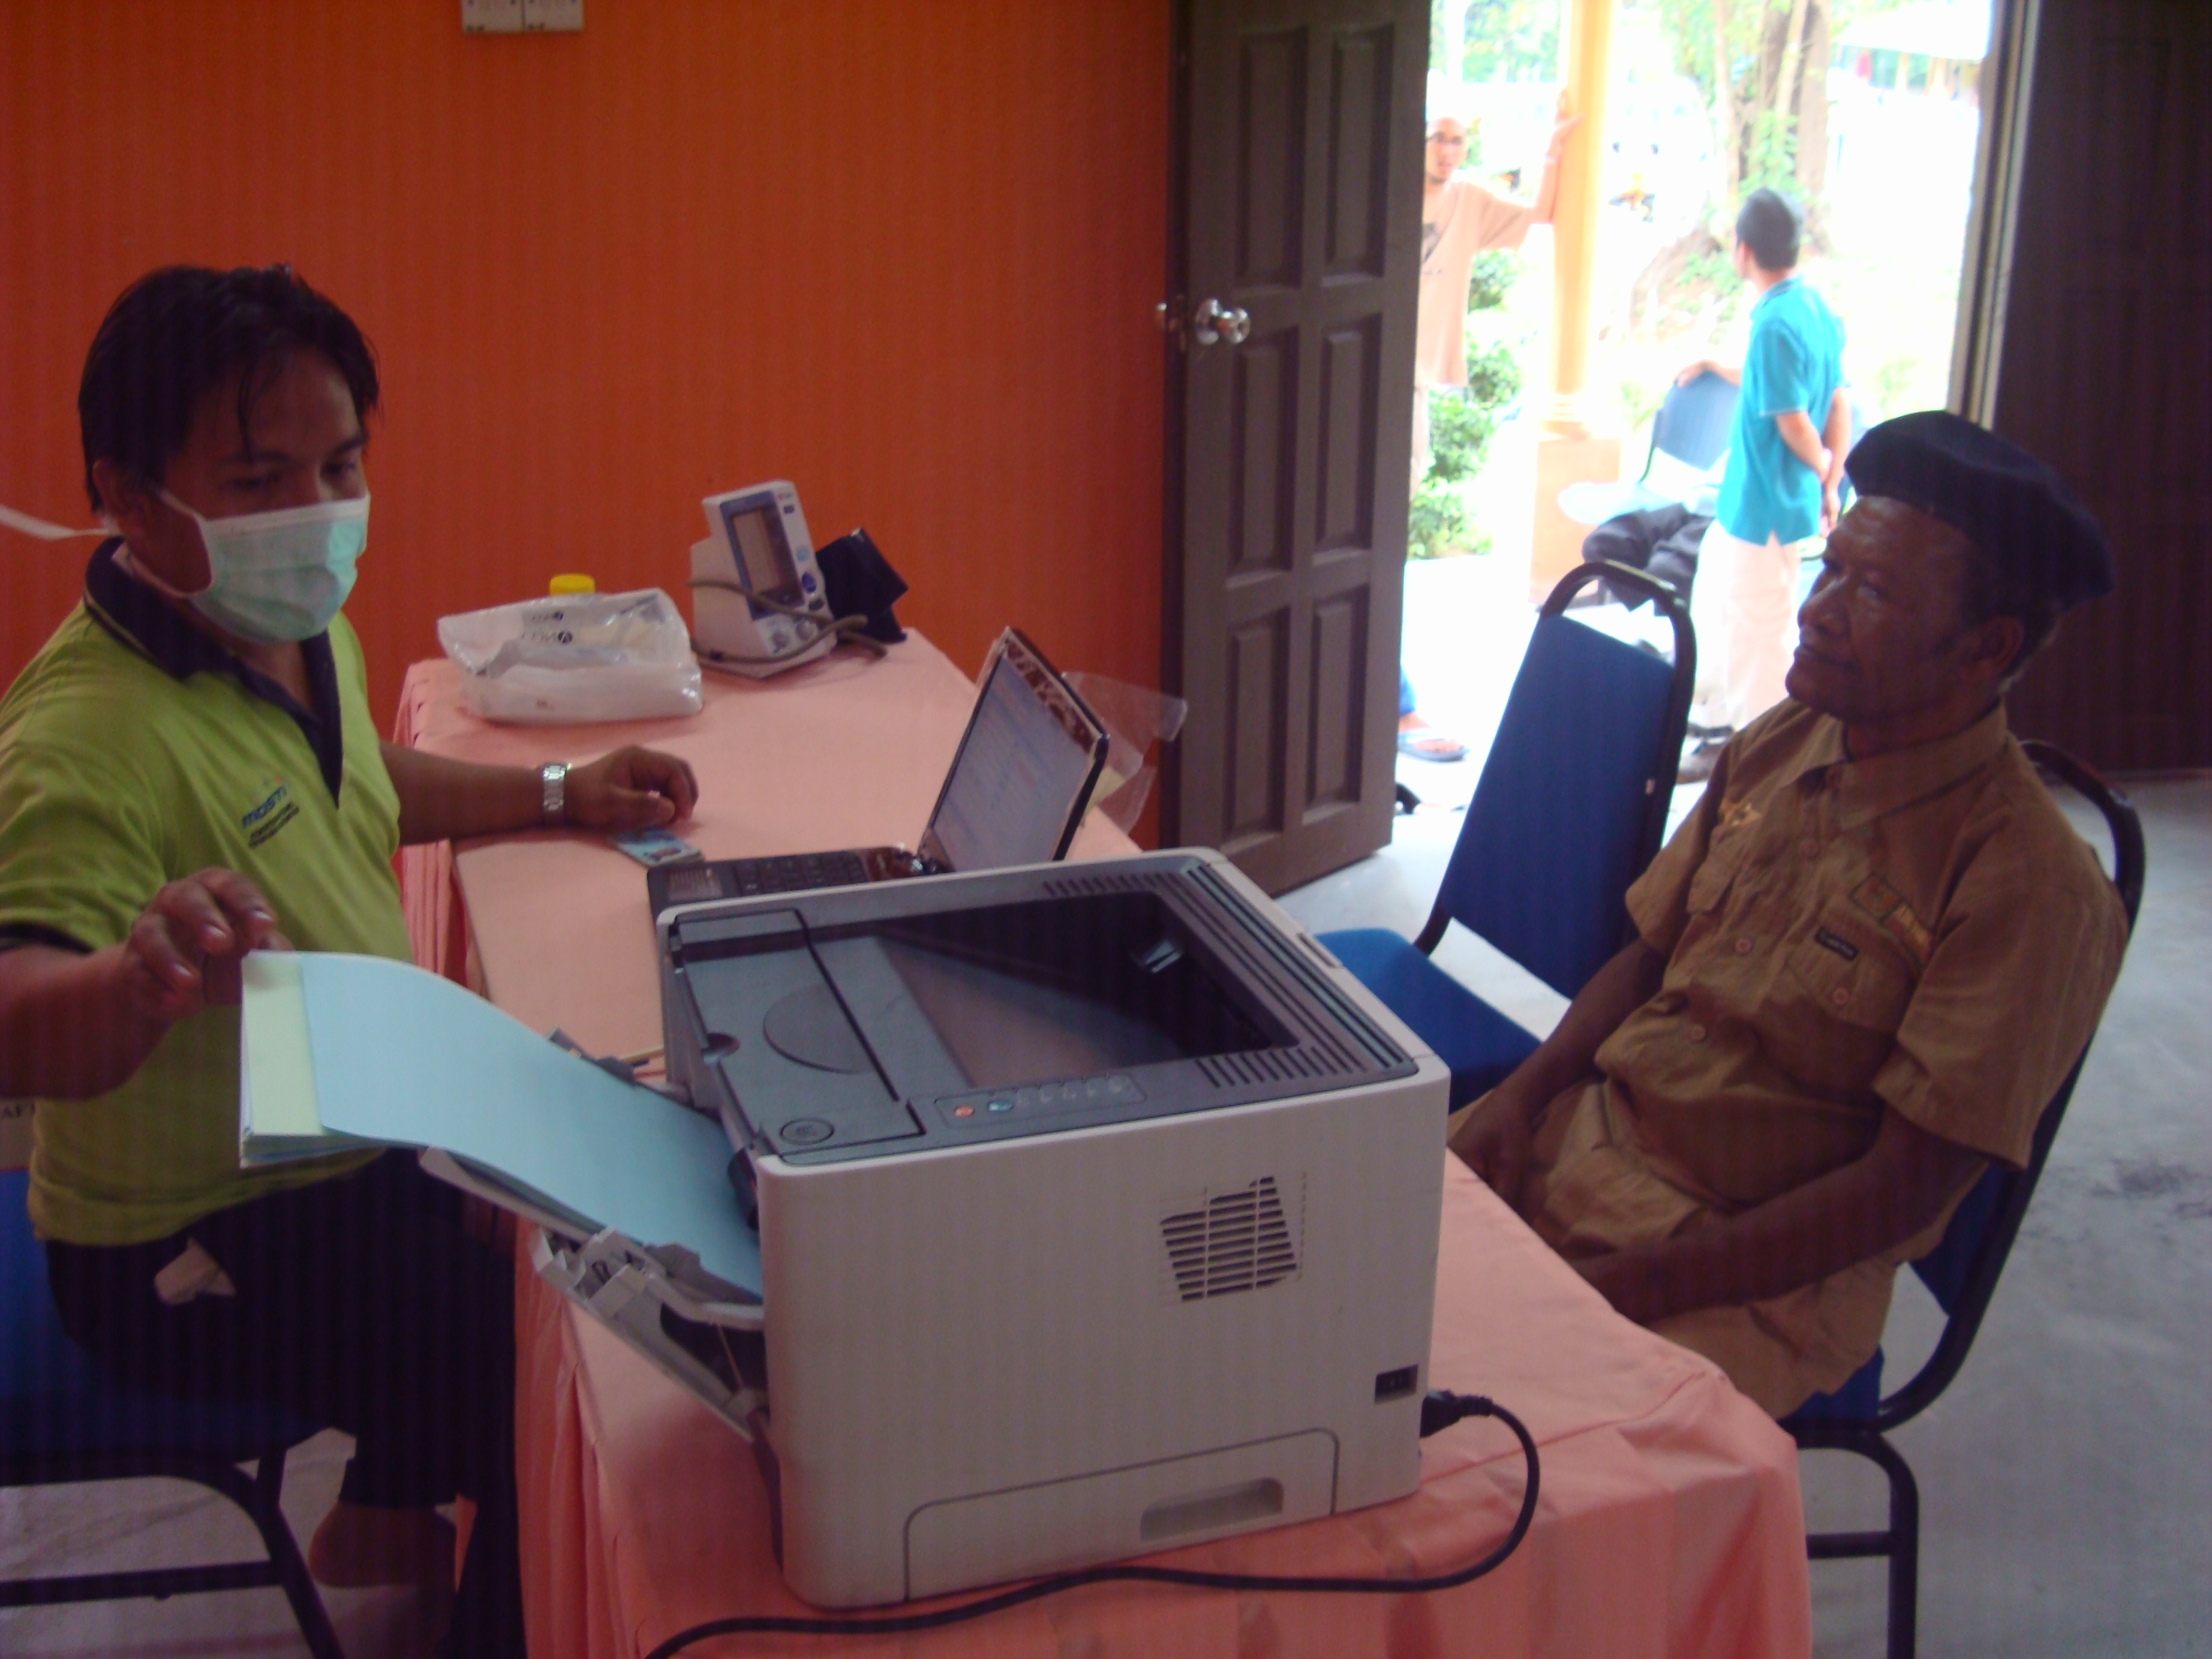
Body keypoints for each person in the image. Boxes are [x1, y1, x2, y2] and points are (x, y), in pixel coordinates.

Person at [0, 265, 701, 1658]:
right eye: (259, 479)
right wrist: (134, 982)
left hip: (334, 1140)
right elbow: (17, 1016)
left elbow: (347, 779)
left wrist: (557, 792)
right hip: (188, 1238)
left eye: (338, 465)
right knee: (545, 1375)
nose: (315, 512)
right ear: (128, 495)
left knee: (574, 1214)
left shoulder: (289, 620)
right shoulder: (81, 737)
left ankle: (385, 1510)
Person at [1445, 412, 2129, 1418]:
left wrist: (1629, 1289)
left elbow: (1900, 1193)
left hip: (1748, 1277)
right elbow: (1648, 960)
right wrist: (1521, 1095)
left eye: (1874, 592)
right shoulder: (1788, 738)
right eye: (1831, 569)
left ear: (1988, 648)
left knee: (1488, 1455)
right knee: (1321, 1286)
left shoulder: (2027, 884)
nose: (1818, 611)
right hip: (1583, 1144)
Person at [1400, 98, 1578, 763]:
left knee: (1386, 535)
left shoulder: (1469, 202)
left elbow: (1538, 216)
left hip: (1413, 382)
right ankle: (1396, 704)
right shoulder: (1385, 196)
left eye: (1458, 141)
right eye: (1438, 138)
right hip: (1369, 369)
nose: (1448, 151)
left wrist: (1553, 153)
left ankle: (1393, 700)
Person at [1675, 188, 1850, 783]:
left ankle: (1767, 769)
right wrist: (1832, 480)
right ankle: (1715, 734)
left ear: (1743, 249)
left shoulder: (1775, 322)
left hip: (1765, 507)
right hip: (1755, 503)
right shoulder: (1812, 309)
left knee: (1758, 638)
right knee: (1715, 608)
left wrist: (1823, 469)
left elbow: (1793, 417)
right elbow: (1831, 399)